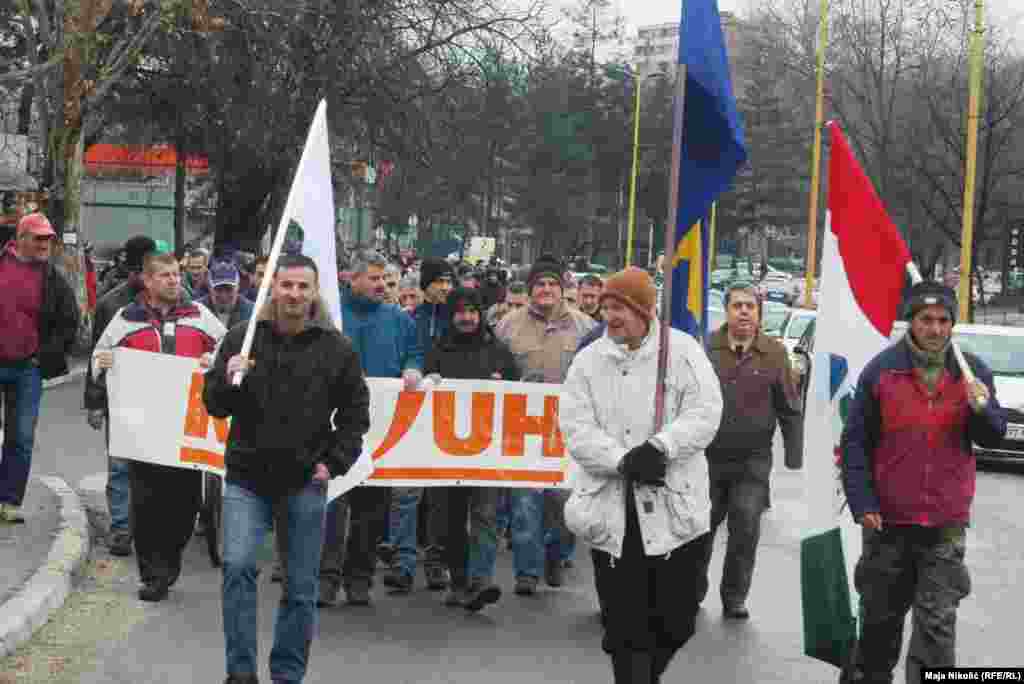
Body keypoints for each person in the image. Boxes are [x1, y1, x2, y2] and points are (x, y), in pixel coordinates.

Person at [203, 253, 369, 684]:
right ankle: (240, 673)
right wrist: (226, 375)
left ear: (314, 293)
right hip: (246, 478)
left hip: (303, 484)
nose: (293, 294)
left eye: (302, 287)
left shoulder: (337, 349)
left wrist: (331, 463)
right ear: (272, 287)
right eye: (286, 285)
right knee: (238, 567)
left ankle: (287, 674)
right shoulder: (243, 338)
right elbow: (216, 407)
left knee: (300, 587)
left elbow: (355, 416)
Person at [560, 267, 722, 684]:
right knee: (625, 628)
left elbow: (705, 413)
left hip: (674, 511)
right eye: (607, 307)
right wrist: (622, 460)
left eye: (621, 308)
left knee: (678, 621)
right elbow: (576, 427)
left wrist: (661, 447)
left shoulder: (683, 353)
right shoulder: (588, 361)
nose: (610, 316)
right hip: (613, 512)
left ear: (646, 311)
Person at [841, 281, 1006, 684]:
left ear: (952, 324)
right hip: (888, 523)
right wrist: (862, 504)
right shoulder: (882, 371)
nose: (935, 329)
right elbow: (855, 445)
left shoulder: (971, 371)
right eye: (926, 320)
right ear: (911, 322)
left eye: (944, 320)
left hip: (944, 525)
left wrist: (981, 408)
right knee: (880, 626)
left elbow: (993, 435)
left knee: (937, 631)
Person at [91, 253, 226, 601]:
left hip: (186, 427)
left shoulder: (199, 315)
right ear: (148, 281)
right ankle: (154, 573)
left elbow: (229, 348)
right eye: (164, 275)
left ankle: (170, 558)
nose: (172, 280)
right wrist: (101, 365)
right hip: (142, 428)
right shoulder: (126, 318)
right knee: (146, 503)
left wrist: (216, 359)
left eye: (176, 274)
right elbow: (100, 354)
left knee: (185, 503)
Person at [318, 250, 423, 606]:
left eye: (384, 279)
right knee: (332, 502)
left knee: (372, 506)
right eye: (374, 279)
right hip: (333, 424)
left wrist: (413, 368)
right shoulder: (330, 314)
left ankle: (359, 577)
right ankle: (326, 577)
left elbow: (415, 352)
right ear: (352, 278)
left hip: (381, 426)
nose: (381, 286)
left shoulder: (399, 319)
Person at [495, 254, 597, 594]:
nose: (546, 289)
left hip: (567, 428)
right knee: (524, 503)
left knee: (564, 500)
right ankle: (527, 570)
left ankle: (557, 552)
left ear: (562, 287)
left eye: (553, 283)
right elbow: (491, 367)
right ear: (531, 288)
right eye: (540, 284)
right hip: (521, 428)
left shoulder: (585, 327)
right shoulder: (508, 325)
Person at [701, 281, 802, 619]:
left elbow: (789, 406)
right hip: (708, 458)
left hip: (753, 462)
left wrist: (794, 454)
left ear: (758, 314)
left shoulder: (774, 353)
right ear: (727, 311)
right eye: (737, 306)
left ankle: (734, 597)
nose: (744, 311)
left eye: (750, 306)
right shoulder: (707, 349)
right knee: (701, 528)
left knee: (745, 527)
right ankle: (692, 590)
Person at [423, 287, 520, 611]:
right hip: (445, 450)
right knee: (450, 519)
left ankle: (481, 581)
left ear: (480, 315)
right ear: (451, 317)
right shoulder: (437, 351)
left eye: (472, 312)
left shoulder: (499, 351)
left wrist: (502, 384)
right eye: (460, 312)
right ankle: (460, 580)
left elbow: (518, 392)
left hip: (487, 450)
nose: (467, 318)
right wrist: (428, 381)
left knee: (485, 515)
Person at [380, 258, 456, 594]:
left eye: (448, 281)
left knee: (440, 495)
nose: (444, 287)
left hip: (449, 417)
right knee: (406, 492)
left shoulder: (459, 320)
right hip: (413, 414)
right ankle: (403, 561)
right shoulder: (410, 322)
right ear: (424, 285)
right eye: (438, 281)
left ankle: (436, 561)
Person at [0, 214, 79, 524]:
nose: (45, 244)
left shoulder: (53, 279)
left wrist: (45, 357)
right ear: (20, 238)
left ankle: (8, 501)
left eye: (48, 239)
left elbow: (70, 321)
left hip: (28, 368)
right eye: (38, 238)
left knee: (21, 436)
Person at [85, 235, 158, 554]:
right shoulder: (110, 305)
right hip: (121, 396)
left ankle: (152, 526)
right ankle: (121, 529)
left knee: (156, 466)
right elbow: (98, 354)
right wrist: (95, 402)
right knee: (119, 467)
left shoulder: (176, 300)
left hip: (161, 397)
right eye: (136, 271)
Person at [198, 261, 256, 329]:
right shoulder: (198, 310)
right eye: (218, 289)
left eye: (229, 289)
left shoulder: (252, 312)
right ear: (209, 288)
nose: (223, 295)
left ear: (238, 287)